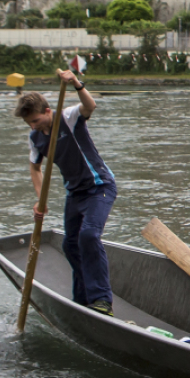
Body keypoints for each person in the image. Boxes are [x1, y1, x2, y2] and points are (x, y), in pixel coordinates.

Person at [13, 70, 118, 315]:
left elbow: (90, 106)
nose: (33, 126)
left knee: (88, 236)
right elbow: (35, 168)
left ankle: (102, 300)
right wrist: (40, 200)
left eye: (36, 120)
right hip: (75, 194)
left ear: (47, 111)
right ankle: (83, 299)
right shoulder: (35, 137)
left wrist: (76, 84)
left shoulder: (67, 117)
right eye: (29, 123)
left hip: (99, 187)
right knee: (70, 245)